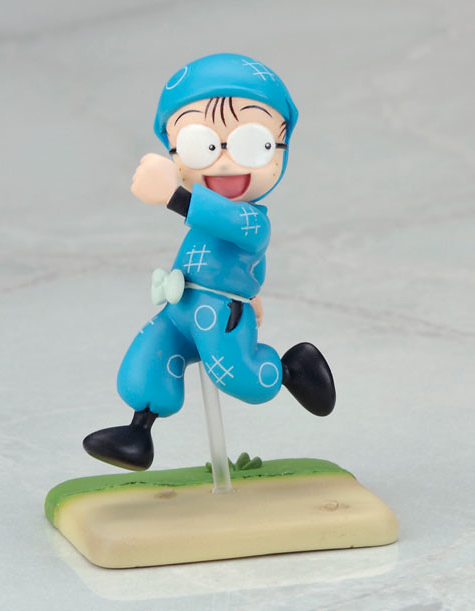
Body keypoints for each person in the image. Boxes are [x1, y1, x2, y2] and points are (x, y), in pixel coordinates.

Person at [83, 53, 336, 471]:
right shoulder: (206, 210)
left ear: (281, 147)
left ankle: (292, 370)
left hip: (221, 313)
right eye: (200, 146)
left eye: (252, 144)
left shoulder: (253, 221)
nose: (224, 161)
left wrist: (173, 195)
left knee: (238, 377)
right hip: (179, 306)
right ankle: (139, 433)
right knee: (146, 359)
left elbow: (227, 222)